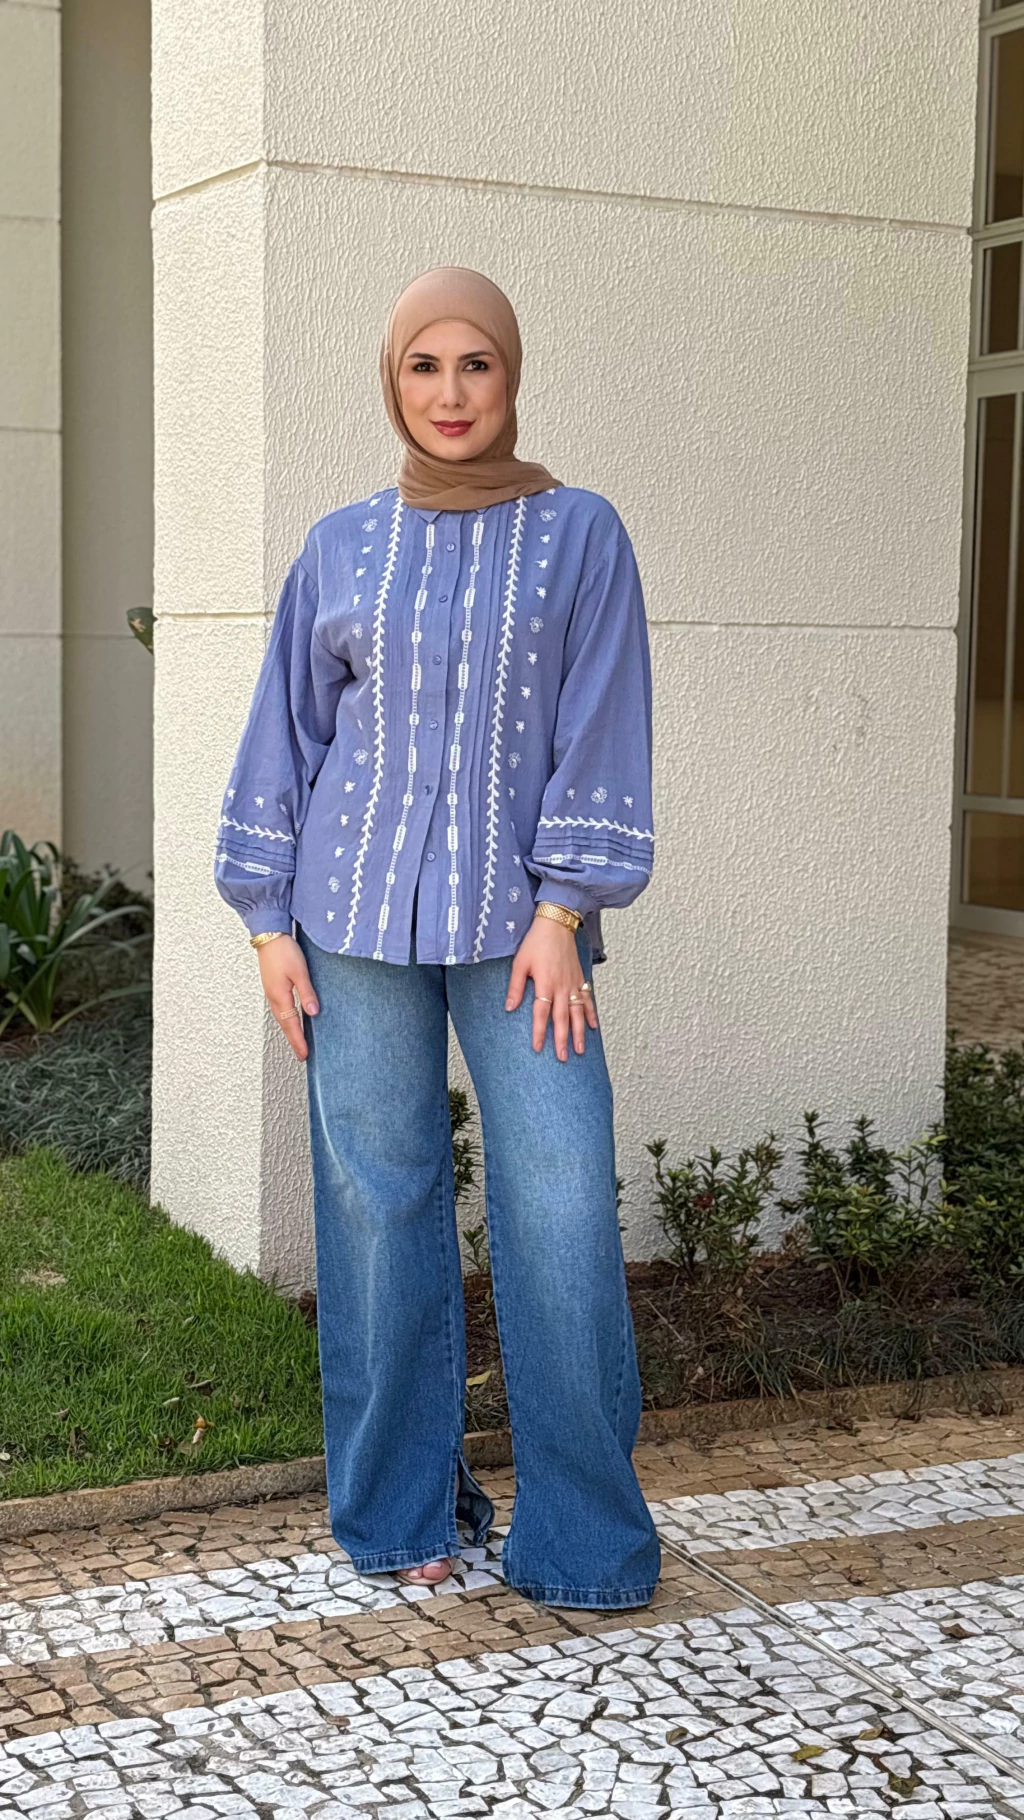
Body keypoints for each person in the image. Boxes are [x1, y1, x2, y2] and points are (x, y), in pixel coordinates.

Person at [213, 265, 660, 1610]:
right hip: (344, 930)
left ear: (512, 377)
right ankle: (400, 1508)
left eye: (476, 364)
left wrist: (566, 909)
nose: (450, 393)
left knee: (561, 1203)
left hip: (528, 936)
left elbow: (603, 719)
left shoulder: (580, 534)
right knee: (377, 1206)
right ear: (392, 381)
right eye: (425, 366)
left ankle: (584, 1541)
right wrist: (266, 925)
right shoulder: (340, 546)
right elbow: (289, 730)